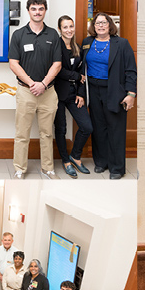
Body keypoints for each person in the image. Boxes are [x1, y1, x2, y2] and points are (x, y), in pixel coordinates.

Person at [8, 0, 62, 180]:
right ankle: (19, 169)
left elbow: (57, 64)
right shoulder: (19, 35)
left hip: (48, 92)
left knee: (47, 133)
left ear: (45, 11)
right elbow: (13, 63)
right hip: (26, 91)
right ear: (28, 11)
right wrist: (32, 84)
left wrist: (43, 84)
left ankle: (48, 168)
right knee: (22, 134)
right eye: (34, 9)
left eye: (41, 9)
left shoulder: (53, 34)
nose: (37, 12)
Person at [81, 12, 136, 180]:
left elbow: (131, 70)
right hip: (93, 90)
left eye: (104, 22)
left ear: (110, 25)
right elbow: (81, 65)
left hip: (114, 91)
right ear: (94, 26)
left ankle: (117, 167)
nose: (101, 25)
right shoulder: (87, 43)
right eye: (98, 23)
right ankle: (101, 162)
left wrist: (131, 94)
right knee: (98, 128)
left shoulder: (122, 44)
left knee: (115, 129)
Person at [54, 15, 92, 178]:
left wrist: (81, 94)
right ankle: (65, 161)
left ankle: (75, 157)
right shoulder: (56, 47)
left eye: (71, 26)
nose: (69, 30)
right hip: (57, 94)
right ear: (59, 30)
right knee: (61, 129)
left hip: (74, 94)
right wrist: (75, 77)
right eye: (65, 27)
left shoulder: (78, 47)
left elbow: (82, 73)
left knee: (87, 127)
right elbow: (58, 70)